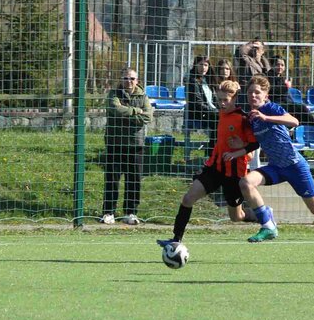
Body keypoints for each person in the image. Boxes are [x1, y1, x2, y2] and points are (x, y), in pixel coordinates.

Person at [238, 76, 314, 264]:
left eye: (257, 92)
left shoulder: (270, 108)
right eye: (250, 92)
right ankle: (268, 224)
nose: (253, 95)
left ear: (266, 95)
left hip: (295, 166)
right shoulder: (252, 118)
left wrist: (266, 117)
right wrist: (238, 148)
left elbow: (294, 121)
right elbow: (255, 143)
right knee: (246, 183)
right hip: (276, 167)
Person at [157, 80, 258, 246]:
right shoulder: (220, 114)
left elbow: (253, 148)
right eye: (219, 100)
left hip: (234, 173)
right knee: (188, 198)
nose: (222, 103)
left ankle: (259, 215)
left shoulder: (243, 119)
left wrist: (240, 147)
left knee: (236, 217)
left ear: (234, 99)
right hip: (214, 168)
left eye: (226, 100)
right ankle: (175, 239)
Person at [101, 68, 153, 225]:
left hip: (136, 145)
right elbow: (115, 109)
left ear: (137, 80)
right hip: (115, 143)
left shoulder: (143, 96)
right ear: (121, 79)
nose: (129, 81)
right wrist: (136, 111)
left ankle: (130, 213)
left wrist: (126, 115)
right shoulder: (113, 94)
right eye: (125, 78)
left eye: (132, 78)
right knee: (112, 179)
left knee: (134, 180)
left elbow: (148, 117)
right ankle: (108, 212)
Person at [184, 55, 218, 146]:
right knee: (219, 121)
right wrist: (215, 111)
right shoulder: (191, 80)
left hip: (209, 112)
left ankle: (217, 148)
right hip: (198, 114)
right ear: (195, 65)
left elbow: (214, 99)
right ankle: (213, 149)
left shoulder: (208, 79)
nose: (203, 68)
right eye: (200, 64)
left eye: (206, 65)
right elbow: (198, 104)